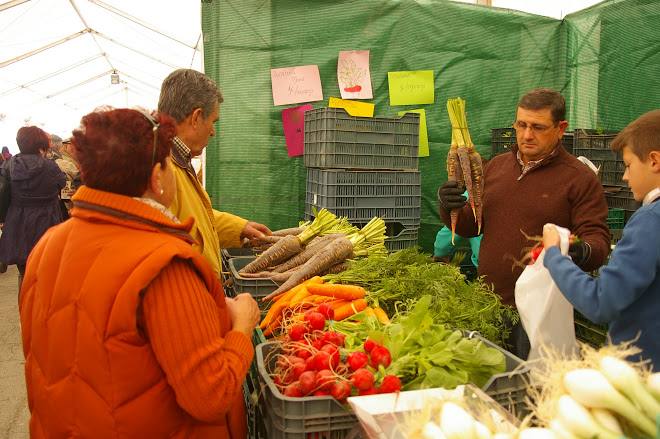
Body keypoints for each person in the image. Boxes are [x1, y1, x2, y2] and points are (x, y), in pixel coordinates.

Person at [19, 108, 260, 437]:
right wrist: (241, 326)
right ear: (157, 177)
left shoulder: (47, 245)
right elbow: (211, 395)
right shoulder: (165, 264)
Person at [437, 88, 611, 358]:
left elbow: (597, 239)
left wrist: (580, 250)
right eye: (521, 125)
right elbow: (473, 227)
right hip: (487, 304)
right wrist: (449, 206)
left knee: (529, 388)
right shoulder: (496, 167)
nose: (527, 135)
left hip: (539, 312)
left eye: (538, 127)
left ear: (560, 128)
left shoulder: (579, 178)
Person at [542, 109, 660, 370]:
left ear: (654, 161)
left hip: (646, 377)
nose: (625, 176)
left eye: (629, 165)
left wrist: (554, 256)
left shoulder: (650, 220)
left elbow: (601, 303)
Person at [158, 68, 271, 276]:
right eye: (213, 122)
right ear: (196, 118)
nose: (213, 131)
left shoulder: (179, 160)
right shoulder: (161, 173)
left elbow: (193, 219)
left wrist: (239, 227)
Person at [0, 126, 66, 288]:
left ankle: (25, 310)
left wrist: (3, 219)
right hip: (47, 222)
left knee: (24, 272)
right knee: (47, 271)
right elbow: (62, 184)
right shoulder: (51, 166)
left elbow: (3, 193)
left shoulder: (9, 166)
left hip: (19, 222)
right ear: (41, 144)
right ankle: (42, 310)